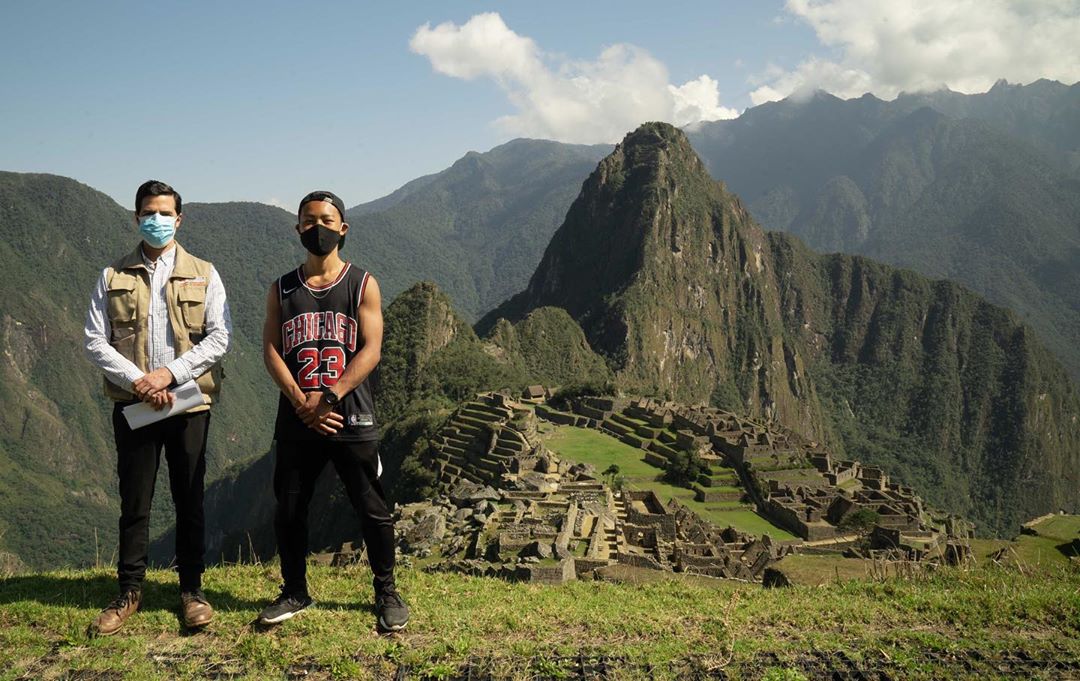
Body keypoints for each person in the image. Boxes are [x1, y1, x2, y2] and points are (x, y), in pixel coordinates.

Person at [84, 179, 231, 635]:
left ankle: (192, 590)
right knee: (135, 498)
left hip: (188, 404)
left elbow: (219, 337)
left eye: (165, 213)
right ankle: (129, 590)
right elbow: (94, 339)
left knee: (189, 497)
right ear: (136, 217)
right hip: (136, 404)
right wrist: (140, 382)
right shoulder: (113, 276)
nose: (158, 220)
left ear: (179, 218)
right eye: (149, 212)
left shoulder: (204, 273)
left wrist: (169, 376)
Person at [258, 190, 408, 632]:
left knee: (371, 507)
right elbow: (270, 348)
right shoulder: (282, 289)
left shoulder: (362, 283)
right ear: (298, 228)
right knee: (288, 508)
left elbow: (371, 348)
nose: (317, 227)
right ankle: (294, 591)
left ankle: (386, 592)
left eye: (326, 219)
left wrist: (327, 396)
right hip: (297, 416)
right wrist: (300, 399)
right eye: (308, 220)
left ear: (343, 228)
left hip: (349, 414)